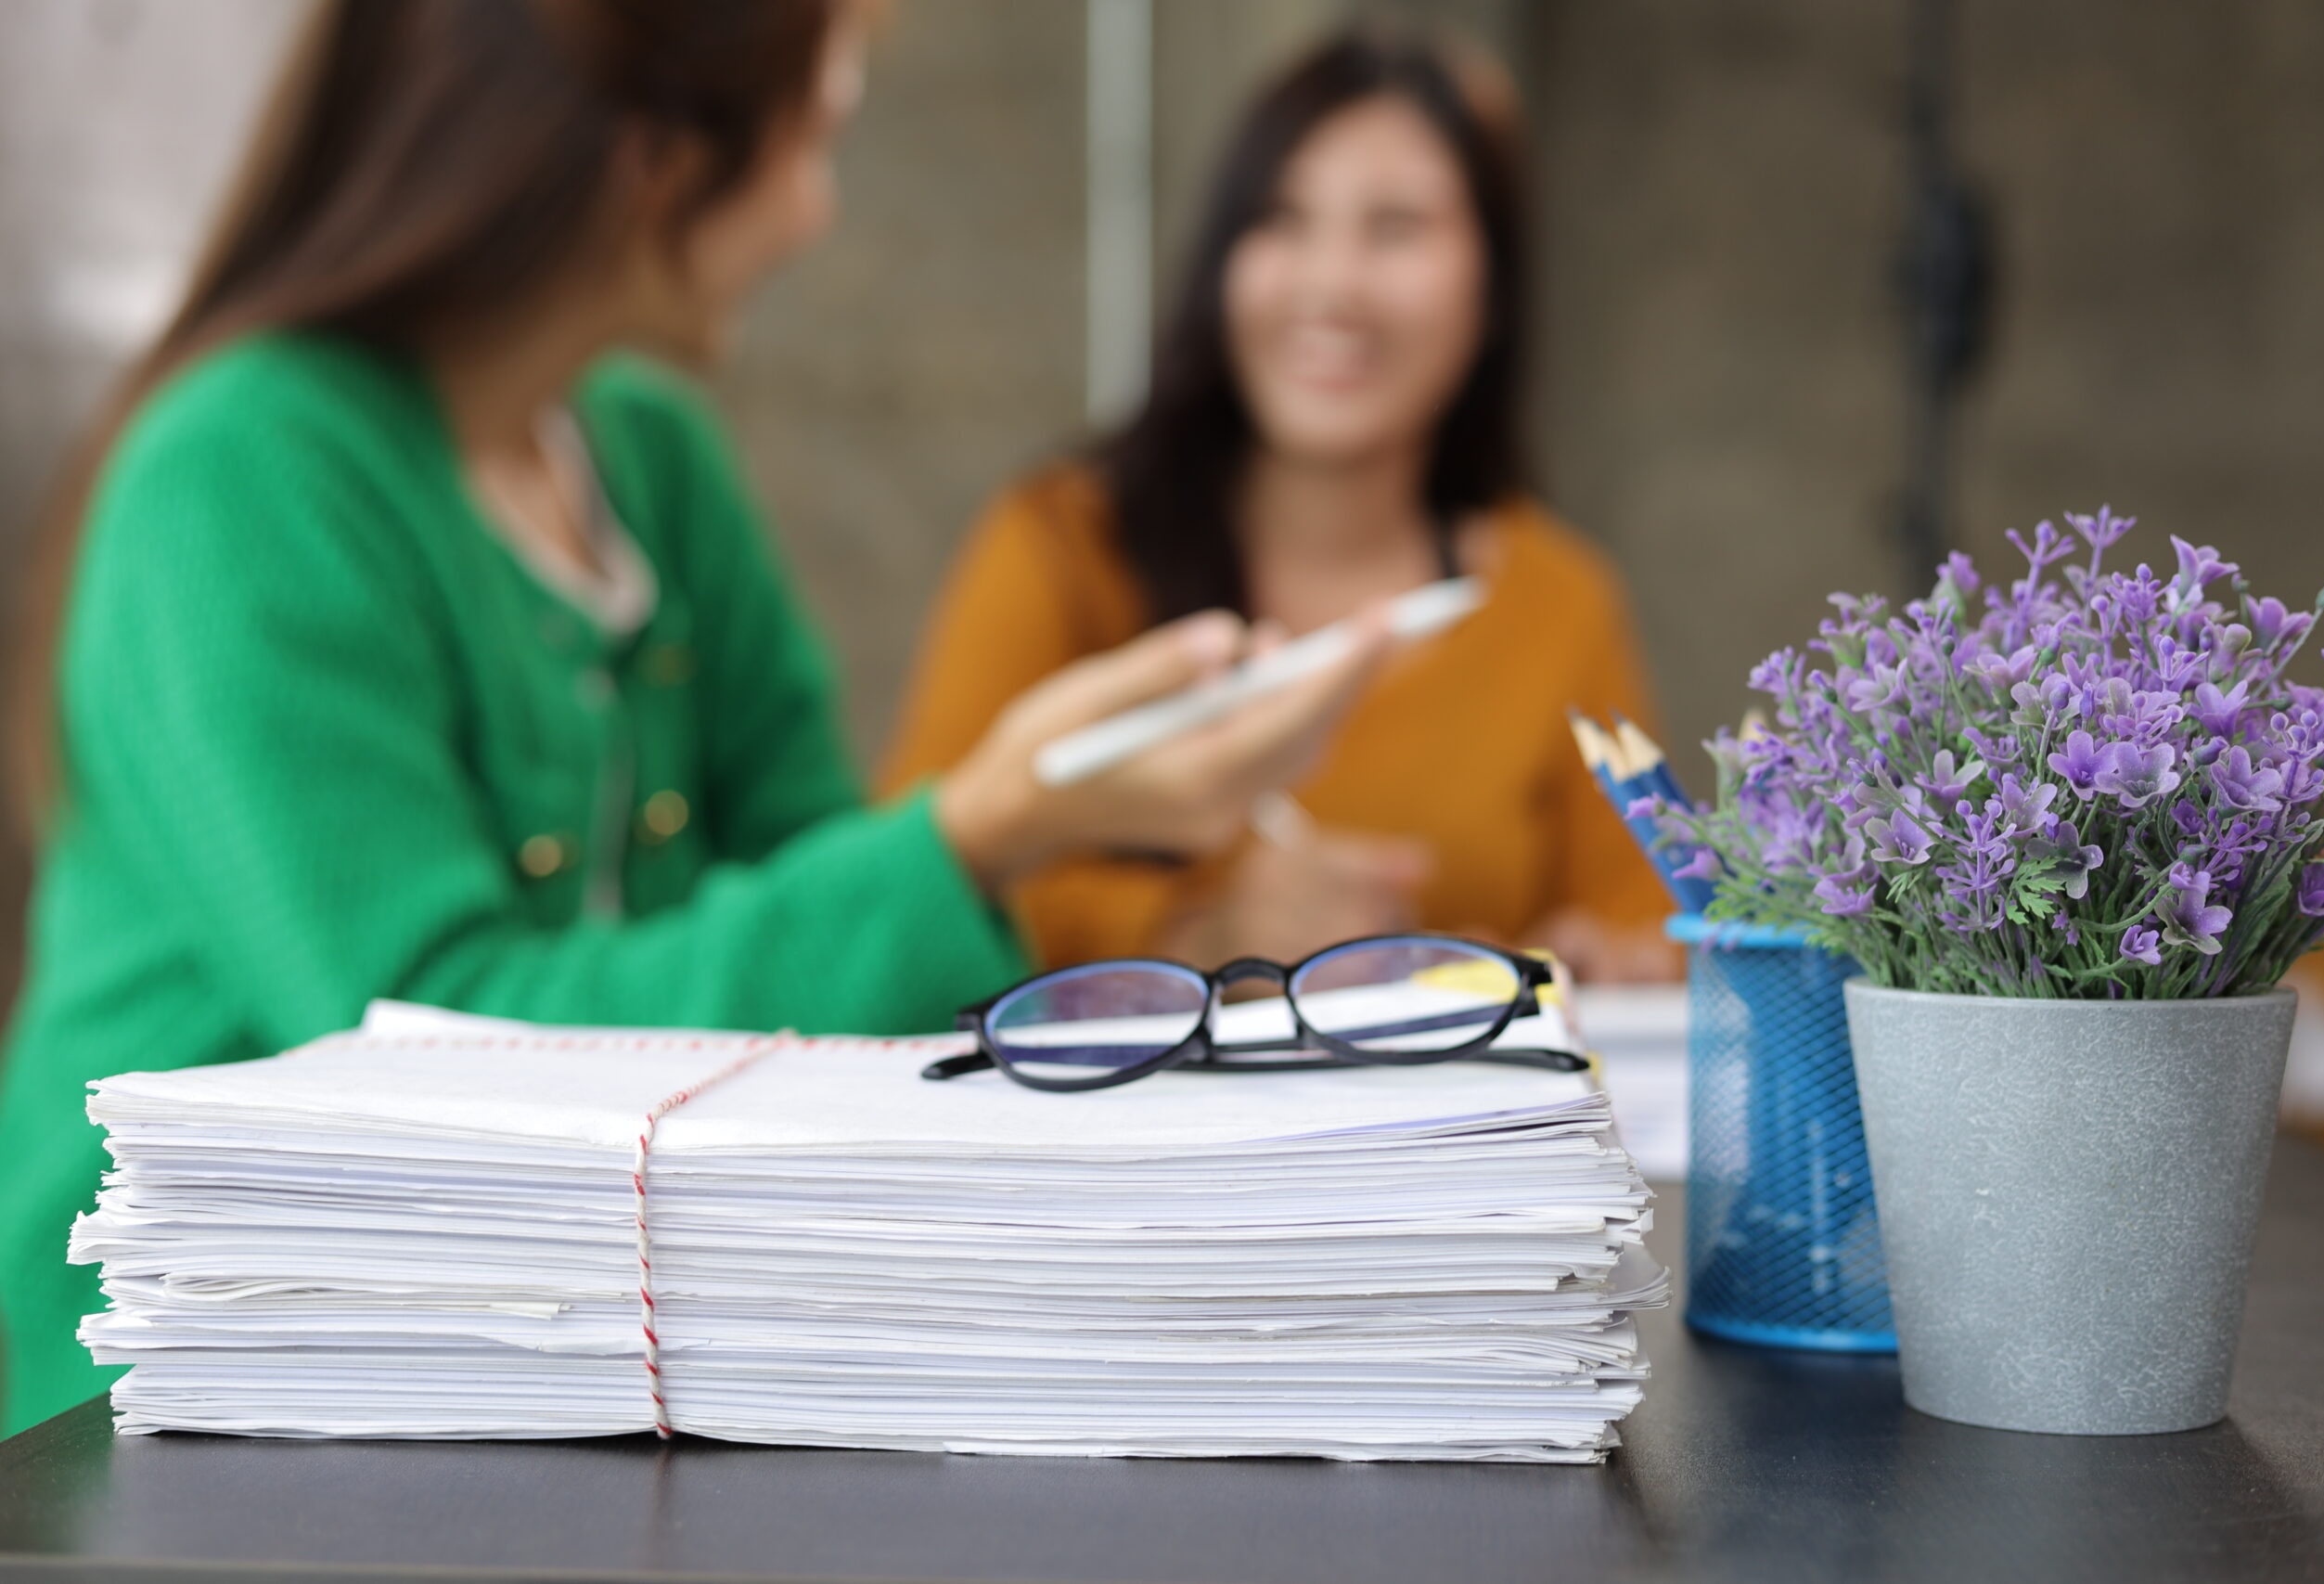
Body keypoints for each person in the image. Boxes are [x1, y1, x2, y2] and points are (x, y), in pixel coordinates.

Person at [0, 0, 1393, 1435]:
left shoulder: (649, 456)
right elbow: (425, 1051)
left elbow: (828, 946)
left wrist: (1100, 895)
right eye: (812, 147)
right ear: (653, 165)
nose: (816, 215)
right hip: (173, 1400)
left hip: (549, 1356)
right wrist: (981, 831)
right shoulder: (241, 474)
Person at [880, 28, 1676, 980]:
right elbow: (906, 887)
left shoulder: (1559, 602)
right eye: (1281, 219)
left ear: (1494, 285)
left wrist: (1573, 966)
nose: (1331, 285)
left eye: (1396, 228)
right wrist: (1195, 933)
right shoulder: (1060, 543)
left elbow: (1646, 929)